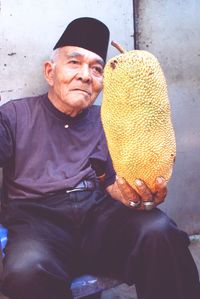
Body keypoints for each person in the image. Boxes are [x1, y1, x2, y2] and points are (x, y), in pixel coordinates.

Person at [0, 17, 199, 299]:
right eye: (74, 63)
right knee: (27, 270)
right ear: (49, 71)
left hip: (98, 214)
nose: (85, 75)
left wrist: (132, 195)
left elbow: (112, 181)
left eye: (96, 69)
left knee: (160, 231)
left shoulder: (110, 119)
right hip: (37, 221)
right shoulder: (14, 115)